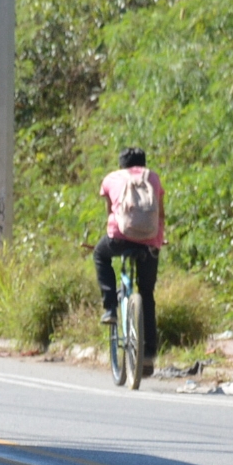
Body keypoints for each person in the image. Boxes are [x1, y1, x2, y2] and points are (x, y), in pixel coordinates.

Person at [94, 146, 164, 377]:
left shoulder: (112, 179)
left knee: (100, 255)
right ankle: (148, 354)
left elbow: (110, 213)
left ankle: (110, 307)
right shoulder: (152, 178)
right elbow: (160, 214)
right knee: (147, 293)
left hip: (119, 239)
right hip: (149, 242)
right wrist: (156, 242)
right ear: (143, 164)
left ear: (121, 164)